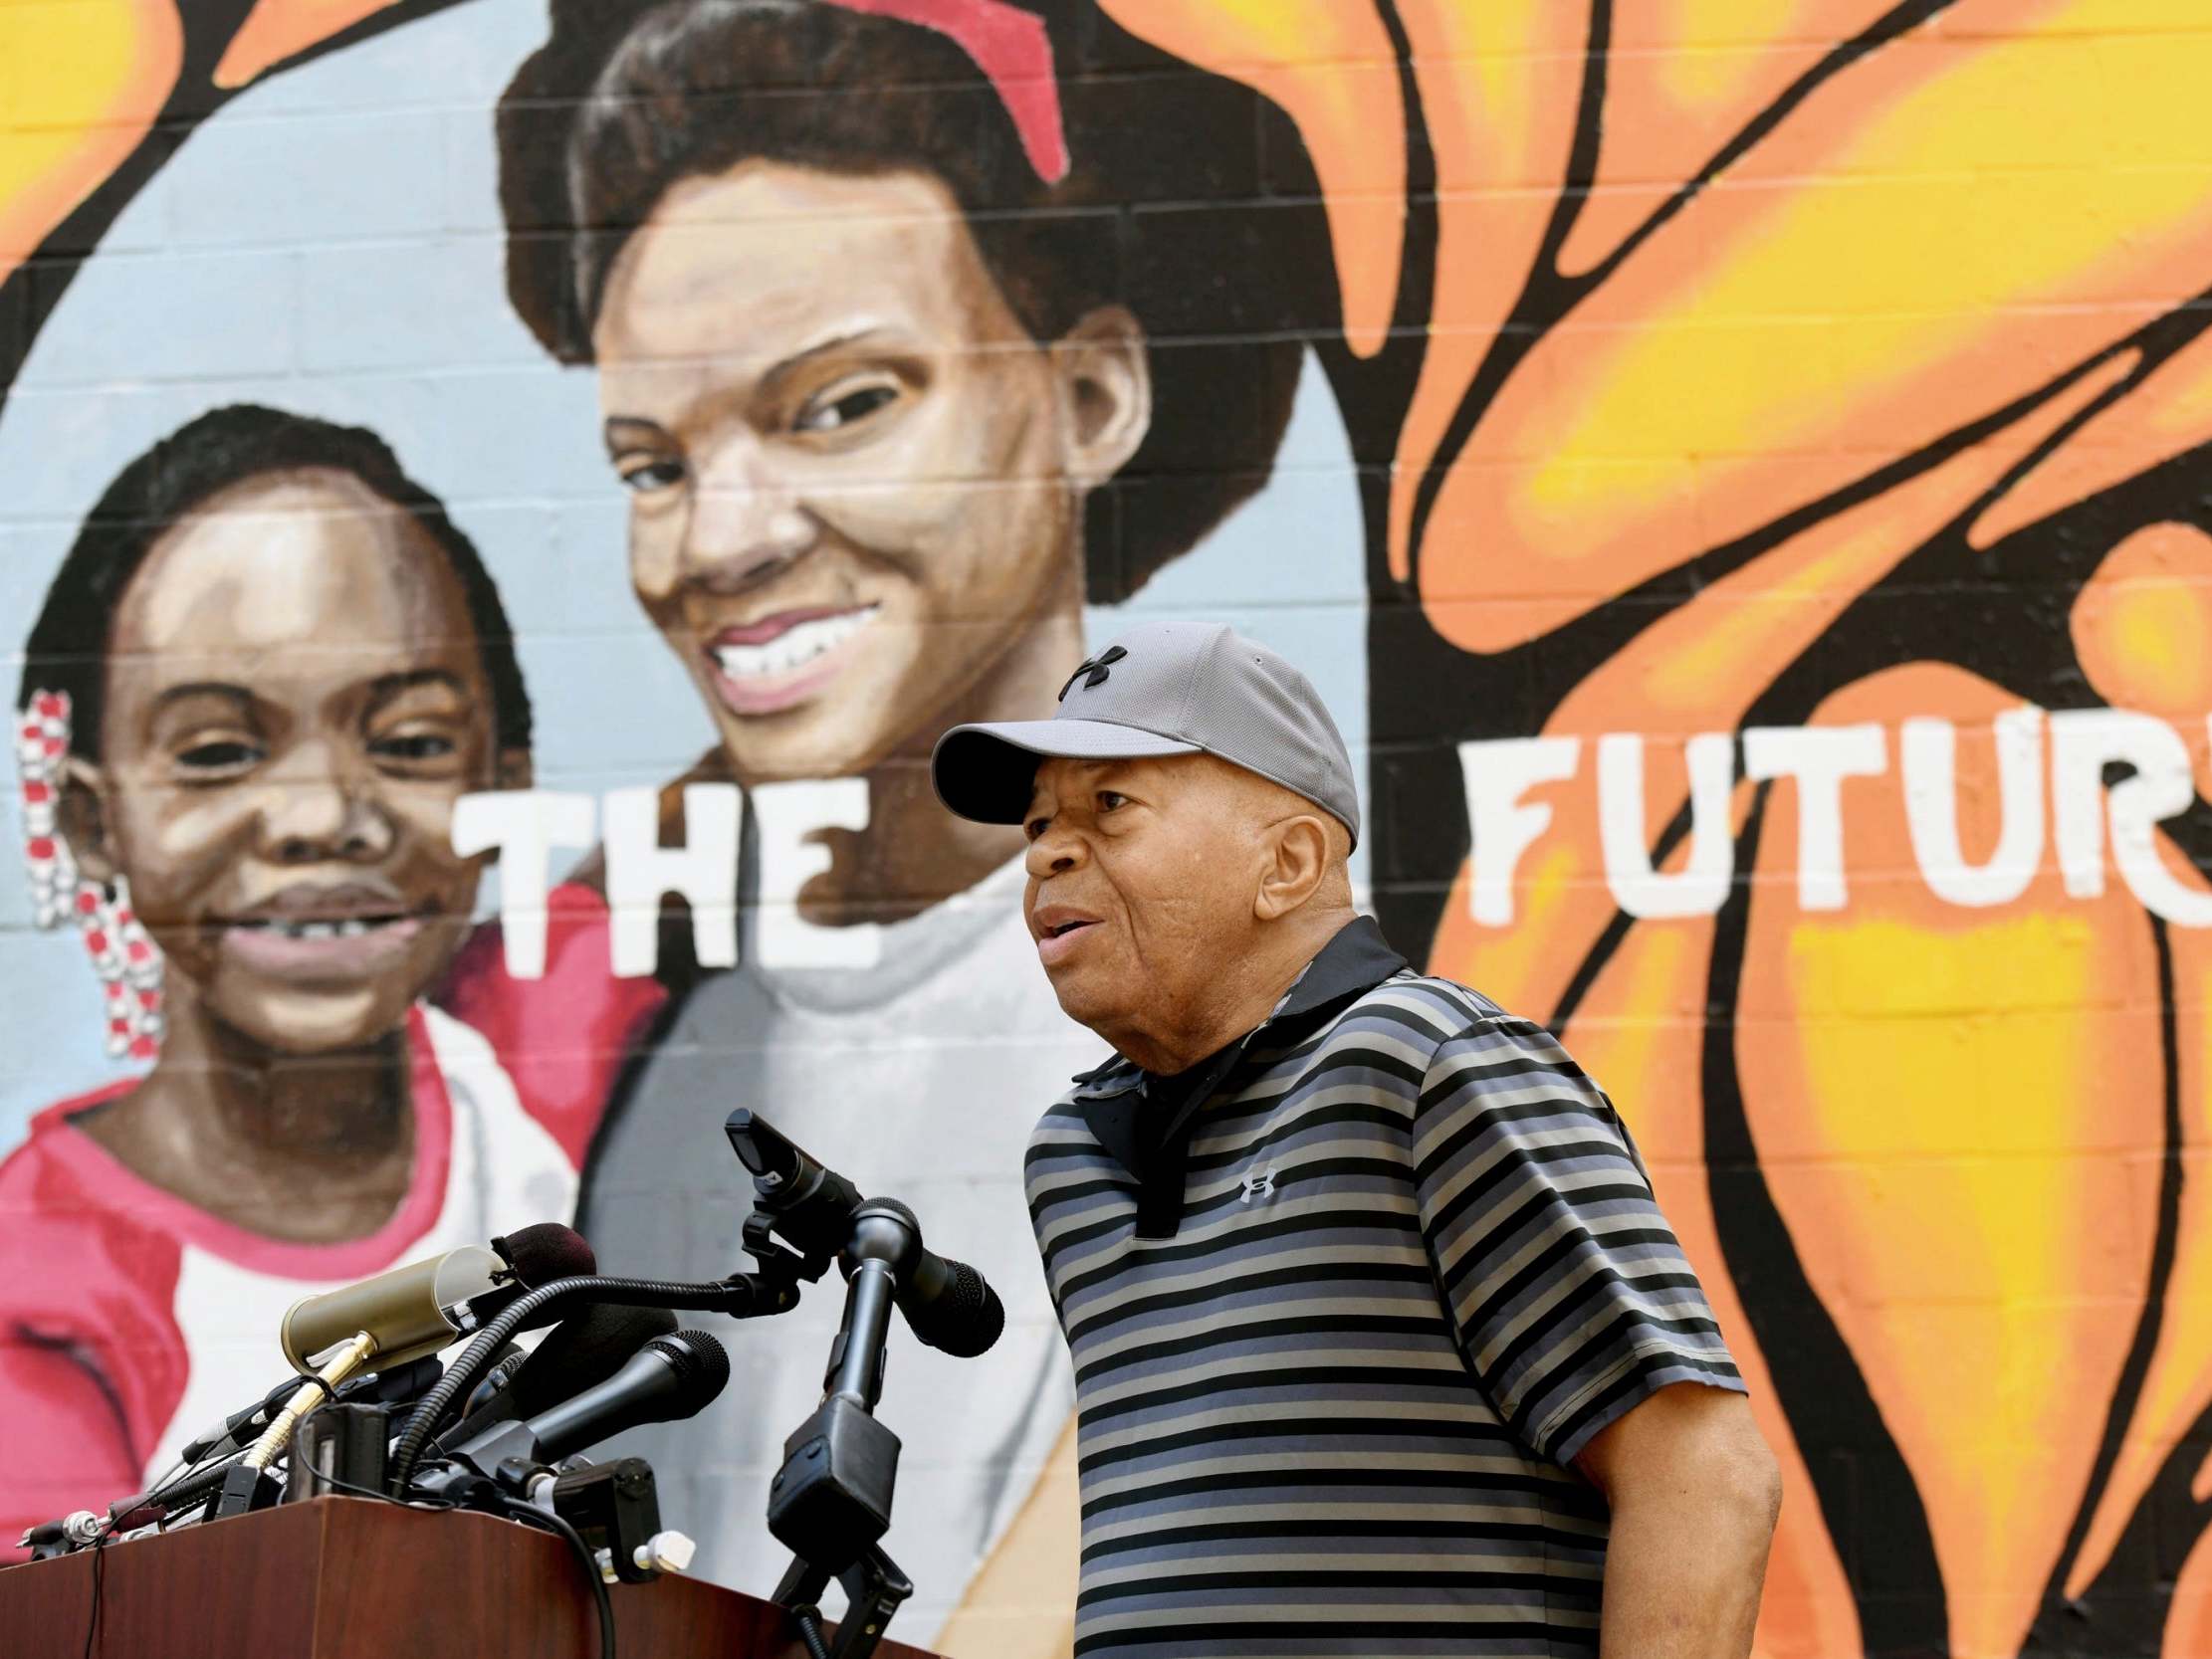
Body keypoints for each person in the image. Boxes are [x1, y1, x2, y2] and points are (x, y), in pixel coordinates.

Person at [490, 0, 1331, 1627]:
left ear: (1090, 395)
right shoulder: (689, 1062)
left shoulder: (1235, 1021)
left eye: (842, 403)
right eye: (650, 464)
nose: (712, 543)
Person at [930, 617, 1784, 1657]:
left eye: (1110, 804)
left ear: (1286, 862)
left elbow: (1700, 1470)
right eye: (1035, 824)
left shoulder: (1429, 1066)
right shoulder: (1070, 1156)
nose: (1050, 850)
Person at [0, 406, 659, 1554]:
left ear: (504, 781)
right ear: (92, 820)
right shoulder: (41, 1281)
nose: (322, 818)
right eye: (216, 751)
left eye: (407, 740)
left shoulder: (539, 1028)